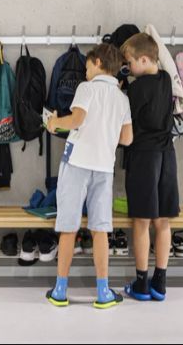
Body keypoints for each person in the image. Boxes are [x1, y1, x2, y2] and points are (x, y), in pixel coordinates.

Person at [45, 43, 133, 309]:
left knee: (69, 227)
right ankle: (103, 292)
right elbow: (127, 139)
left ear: (97, 63)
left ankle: (60, 291)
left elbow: (76, 120)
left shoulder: (86, 88)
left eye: (86, 66)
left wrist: (54, 123)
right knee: (100, 229)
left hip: (77, 163)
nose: (85, 70)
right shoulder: (122, 98)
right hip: (104, 167)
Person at [120, 33, 179, 302]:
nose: (129, 68)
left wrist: (123, 87)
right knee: (162, 220)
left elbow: (125, 118)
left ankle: (142, 283)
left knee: (141, 221)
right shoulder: (166, 79)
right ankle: (160, 282)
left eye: (131, 62)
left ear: (144, 60)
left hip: (144, 157)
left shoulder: (137, 88)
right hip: (167, 155)